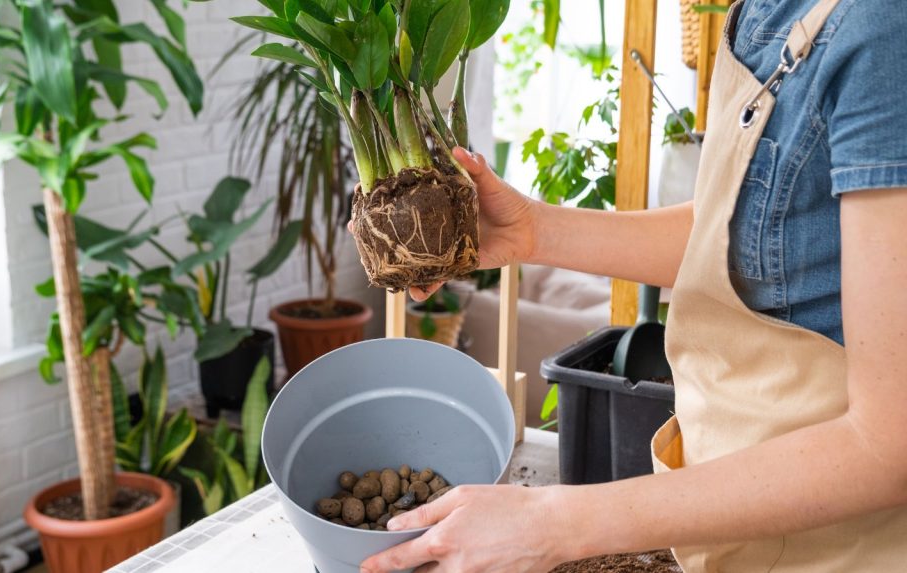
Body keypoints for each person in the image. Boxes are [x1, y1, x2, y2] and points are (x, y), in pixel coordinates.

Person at [357, 0, 907, 571]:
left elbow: (889, 447)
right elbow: (751, 236)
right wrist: (533, 230)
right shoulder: (767, 10)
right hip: (735, 539)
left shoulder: (885, 32)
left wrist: (551, 524)